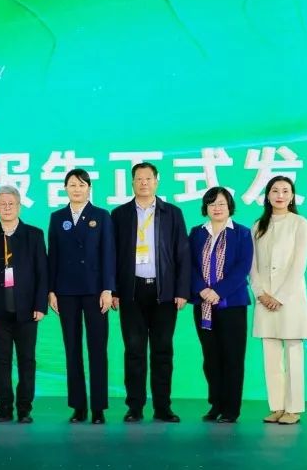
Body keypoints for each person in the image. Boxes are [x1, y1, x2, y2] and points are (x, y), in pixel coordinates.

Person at [110, 162, 189, 423]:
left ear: (156, 181)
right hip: (131, 291)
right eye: (139, 179)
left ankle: (163, 407)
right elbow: (112, 256)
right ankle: (135, 407)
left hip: (164, 292)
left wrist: (181, 290)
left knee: (162, 350)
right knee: (134, 350)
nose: (143, 183)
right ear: (132, 182)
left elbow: (182, 253)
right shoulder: (119, 215)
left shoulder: (172, 213)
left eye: (148, 178)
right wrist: (113, 290)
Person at [47, 168, 116, 424]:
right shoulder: (57, 217)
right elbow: (52, 256)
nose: (77, 189)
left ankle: (98, 408)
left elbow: (109, 254)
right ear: (65, 188)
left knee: (97, 349)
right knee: (72, 348)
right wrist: (51, 290)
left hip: (95, 291)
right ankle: (78, 406)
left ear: (89, 188)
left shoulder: (101, 216)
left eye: (81, 184)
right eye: (72, 185)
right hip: (65, 291)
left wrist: (108, 289)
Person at [0, 186, 48, 424]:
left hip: (27, 310)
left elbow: (42, 273)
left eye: (11, 204)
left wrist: (40, 305)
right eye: (2, 204)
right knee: (2, 361)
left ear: (19, 206)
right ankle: (4, 408)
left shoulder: (34, 235)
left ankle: (25, 408)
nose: (6, 208)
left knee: (27, 361)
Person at [189, 187, 253, 424]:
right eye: (212, 204)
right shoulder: (197, 233)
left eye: (221, 204)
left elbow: (243, 267)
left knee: (232, 357)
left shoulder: (242, 233)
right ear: (205, 207)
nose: (216, 208)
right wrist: (202, 289)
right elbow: (188, 264)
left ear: (230, 207)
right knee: (211, 357)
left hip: (232, 304)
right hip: (203, 304)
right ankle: (215, 404)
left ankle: (231, 409)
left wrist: (218, 291)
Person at [250, 176, 307, 425]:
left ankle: (293, 409)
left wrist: (280, 297)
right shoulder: (258, 226)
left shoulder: (300, 224)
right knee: (271, 355)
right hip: (264, 300)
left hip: (291, 299)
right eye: (275, 191)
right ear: (267, 195)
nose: (280, 195)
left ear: (292, 196)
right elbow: (252, 265)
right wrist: (260, 293)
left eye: (285, 191)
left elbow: (299, 265)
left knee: (293, 352)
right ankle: (277, 406)